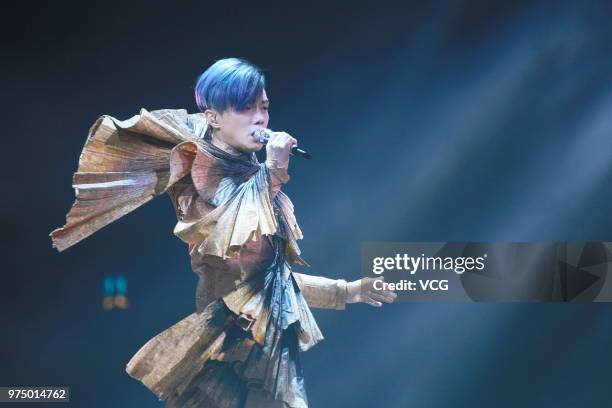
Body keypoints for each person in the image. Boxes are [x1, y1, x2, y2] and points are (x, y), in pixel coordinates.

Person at [51, 57, 396, 408]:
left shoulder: (251, 176)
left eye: (264, 107)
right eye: (246, 108)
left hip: (261, 346)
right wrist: (274, 167)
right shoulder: (204, 177)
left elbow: (269, 284)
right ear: (213, 117)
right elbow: (239, 247)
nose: (261, 118)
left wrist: (347, 291)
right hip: (237, 347)